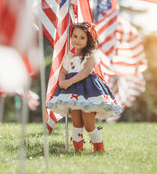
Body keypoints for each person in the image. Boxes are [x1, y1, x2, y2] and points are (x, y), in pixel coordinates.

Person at [47, 22, 122, 152]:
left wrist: (69, 82)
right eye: (75, 36)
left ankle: (99, 149)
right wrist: (62, 81)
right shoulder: (69, 56)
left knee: (89, 125)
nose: (77, 40)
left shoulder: (90, 56)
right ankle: (77, 150)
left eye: (82, 37)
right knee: (76, 123)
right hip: (72, 93)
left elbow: (85, 72)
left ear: (89, 40)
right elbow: (63, 71)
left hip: (88, 92)